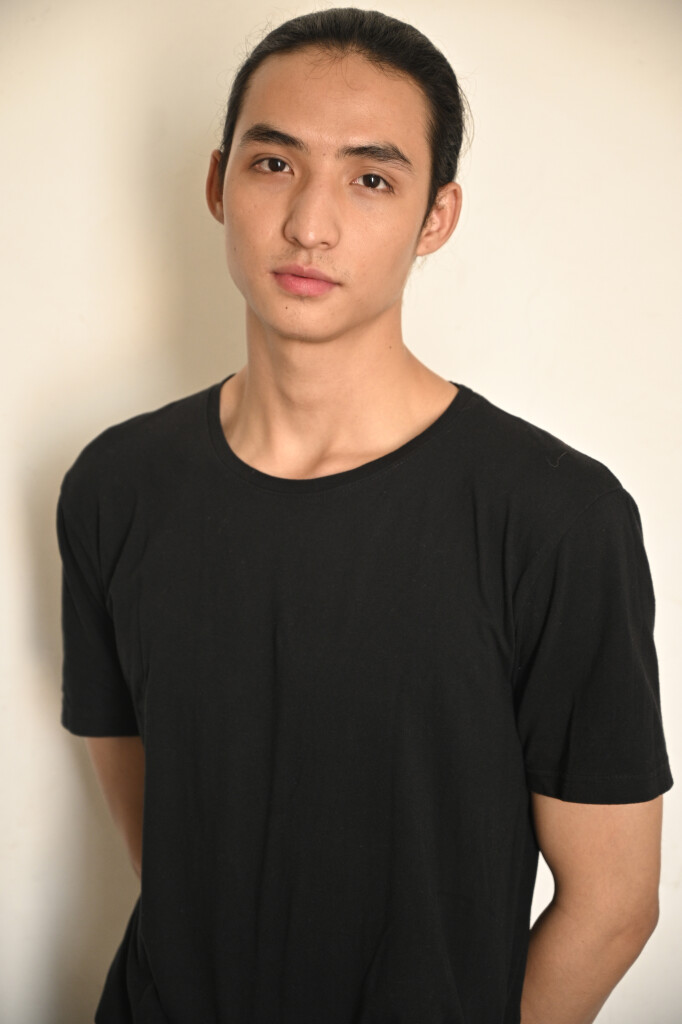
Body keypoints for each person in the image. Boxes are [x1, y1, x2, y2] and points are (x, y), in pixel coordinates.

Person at [56, 8, 673, 1023]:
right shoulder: (115, 485)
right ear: (218, 184)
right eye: (274, 165)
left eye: (371, 179)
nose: (311, 224)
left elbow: (612, 907)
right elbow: (163, 834)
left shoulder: (556, 517)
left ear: (437, 217)